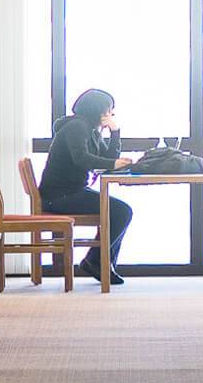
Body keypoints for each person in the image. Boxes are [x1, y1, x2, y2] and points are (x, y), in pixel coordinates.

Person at [39, 87, 135, 285]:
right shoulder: (77, 127)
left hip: (70, 191)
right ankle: (96, 262)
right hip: (59, 196)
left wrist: (115, 133)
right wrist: (112, 164)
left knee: (118, 211)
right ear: (97, 110)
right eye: (109, 110)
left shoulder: (90, 130)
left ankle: (100, 262)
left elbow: (107, 158)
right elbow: (81, 158)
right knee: (121, 211)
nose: (111, 114)